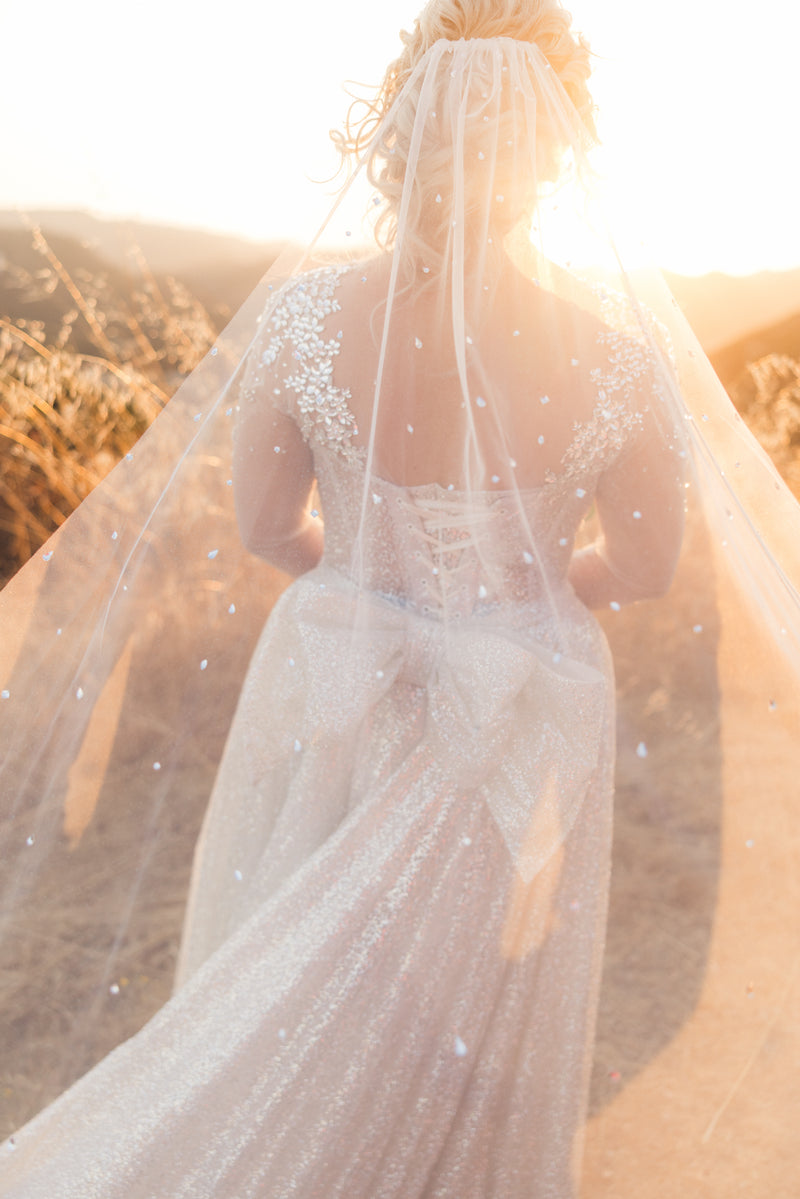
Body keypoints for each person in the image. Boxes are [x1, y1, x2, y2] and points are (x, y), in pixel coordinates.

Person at [1, 2, 799, 1196]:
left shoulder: (305, 318)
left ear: (396, 128)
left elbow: (267, 527)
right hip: (522, 695)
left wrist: (374, 578)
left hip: (333, 671)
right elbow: (642, 567)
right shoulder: (617, 359)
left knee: (279, 977)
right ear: (560, 150)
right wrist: (518, 595)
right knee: (467, 1010)